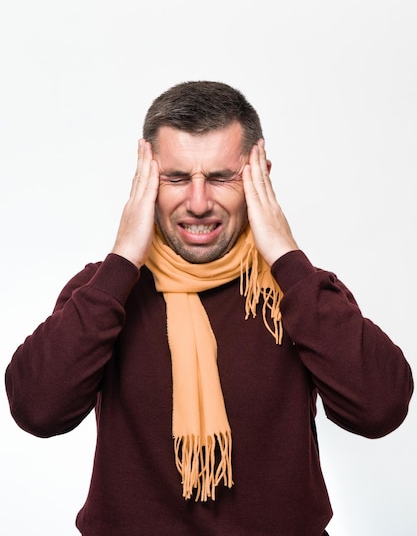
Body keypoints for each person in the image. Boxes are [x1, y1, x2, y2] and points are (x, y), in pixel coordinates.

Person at [5, 81, 413, 536]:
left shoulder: (300, 291)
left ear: (259, 177)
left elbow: (381, 409)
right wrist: (122, 261)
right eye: (176, 178)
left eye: (221, 177)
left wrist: (285, 256)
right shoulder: (104, 289)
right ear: (144, 180)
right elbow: (37, 410)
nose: (198, 203)